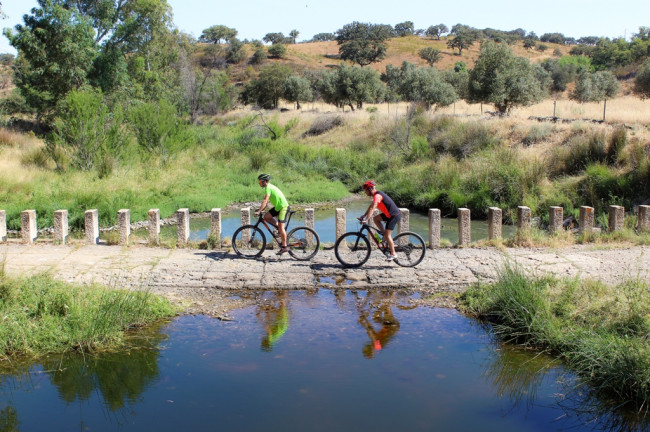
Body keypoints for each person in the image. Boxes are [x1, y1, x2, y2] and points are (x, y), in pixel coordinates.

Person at [359, 180, 401, 261]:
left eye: (366, 190)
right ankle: (384, 236)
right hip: (389, 214)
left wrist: (366, 219)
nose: (365, 192)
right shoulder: (375, 195)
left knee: (388, 235)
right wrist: (364, 215)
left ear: (370, 189)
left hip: (394, 215)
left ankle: (393, 254)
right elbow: (370, 206)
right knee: (376, 219)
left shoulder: (377, 196)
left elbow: (373, 207)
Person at [255, 173, 289, 255]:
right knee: (266, 217)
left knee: (281, 228)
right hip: (278, 207)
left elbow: (265, 201)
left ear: (264, 181)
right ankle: (279, 228)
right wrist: (262, 209)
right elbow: (266, 203)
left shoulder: (268, 188)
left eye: (260, 181)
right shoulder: (268, 187)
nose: (259, 183)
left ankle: (284, 247)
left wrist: (259, 211)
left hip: (283, 207)